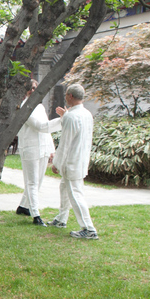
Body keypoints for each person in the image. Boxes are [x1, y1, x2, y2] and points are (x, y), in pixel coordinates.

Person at [48, 83, 98, 239]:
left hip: (72, 161)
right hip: (81, 159)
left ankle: (88, 228)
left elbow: (65, 143)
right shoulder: (86, 114)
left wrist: (56, 162)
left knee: (75, 194)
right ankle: (61, 218)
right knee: (65, 187)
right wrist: (64, 116)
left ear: (70, 96)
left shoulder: (72, 116)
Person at [15, 79, 61, 225]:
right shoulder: (25, 107)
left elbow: (46, 131)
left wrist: (51, 149)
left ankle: (23, 206)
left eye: (35, 88)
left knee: (38, 181)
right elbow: (41, 126)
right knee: (32, 182)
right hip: (30, 148)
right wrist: (62, 120)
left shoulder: (40, 107)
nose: (33, 90)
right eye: (30, 88)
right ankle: (36, 215)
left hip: (43, 147)